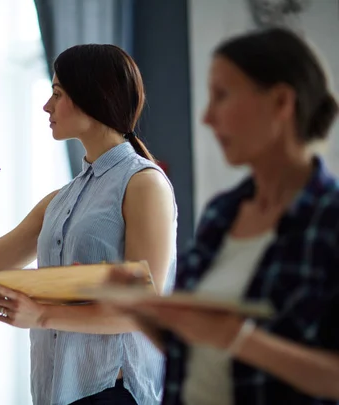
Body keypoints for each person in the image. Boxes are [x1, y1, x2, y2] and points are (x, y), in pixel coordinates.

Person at [0, 44, 177, 405]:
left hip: (114, 395)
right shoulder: (59, 201)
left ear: (92, 98)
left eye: (57, 93)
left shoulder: (144, 183)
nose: (47, 106)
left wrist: (42, 313)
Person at [106, 27, 339, 404]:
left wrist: (238, 339)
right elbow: (194, 348)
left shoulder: (330, 220)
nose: (207, 118)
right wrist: (136, 308)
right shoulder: (221, 214)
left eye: (222, 96)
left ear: (281, 102)